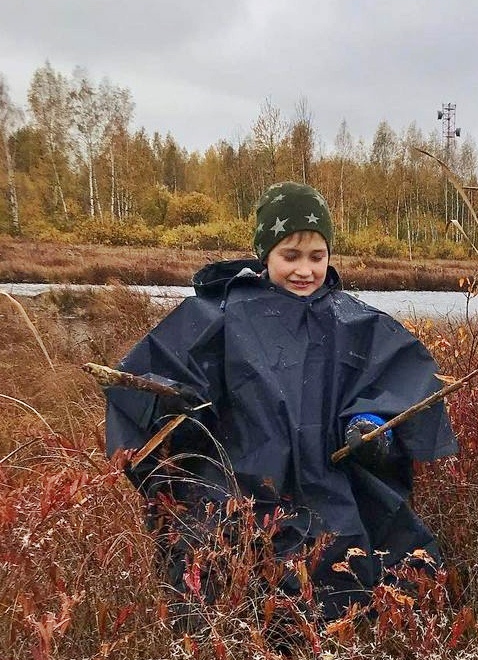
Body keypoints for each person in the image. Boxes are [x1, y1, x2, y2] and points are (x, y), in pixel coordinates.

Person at [105, 181, 457, 625]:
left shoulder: (357, 321)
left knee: (364, 567)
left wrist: (370, 425)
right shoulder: (219, 314)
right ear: (264, 253)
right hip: (240, 481)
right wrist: (178, 411)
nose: (304, 270)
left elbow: (398, 381)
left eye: (316, 256)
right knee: (221, 577)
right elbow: (146, 380)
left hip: (333, 483)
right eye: (289, 256)